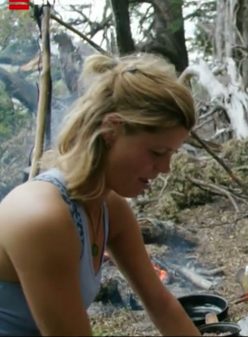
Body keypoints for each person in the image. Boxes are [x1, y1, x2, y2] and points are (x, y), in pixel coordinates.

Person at [0, 53, 201, 335]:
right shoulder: (40, 217)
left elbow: (162, 305)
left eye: (171, 154)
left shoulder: (110, 208)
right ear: (111, 129)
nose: (165, 168)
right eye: (156, 152)